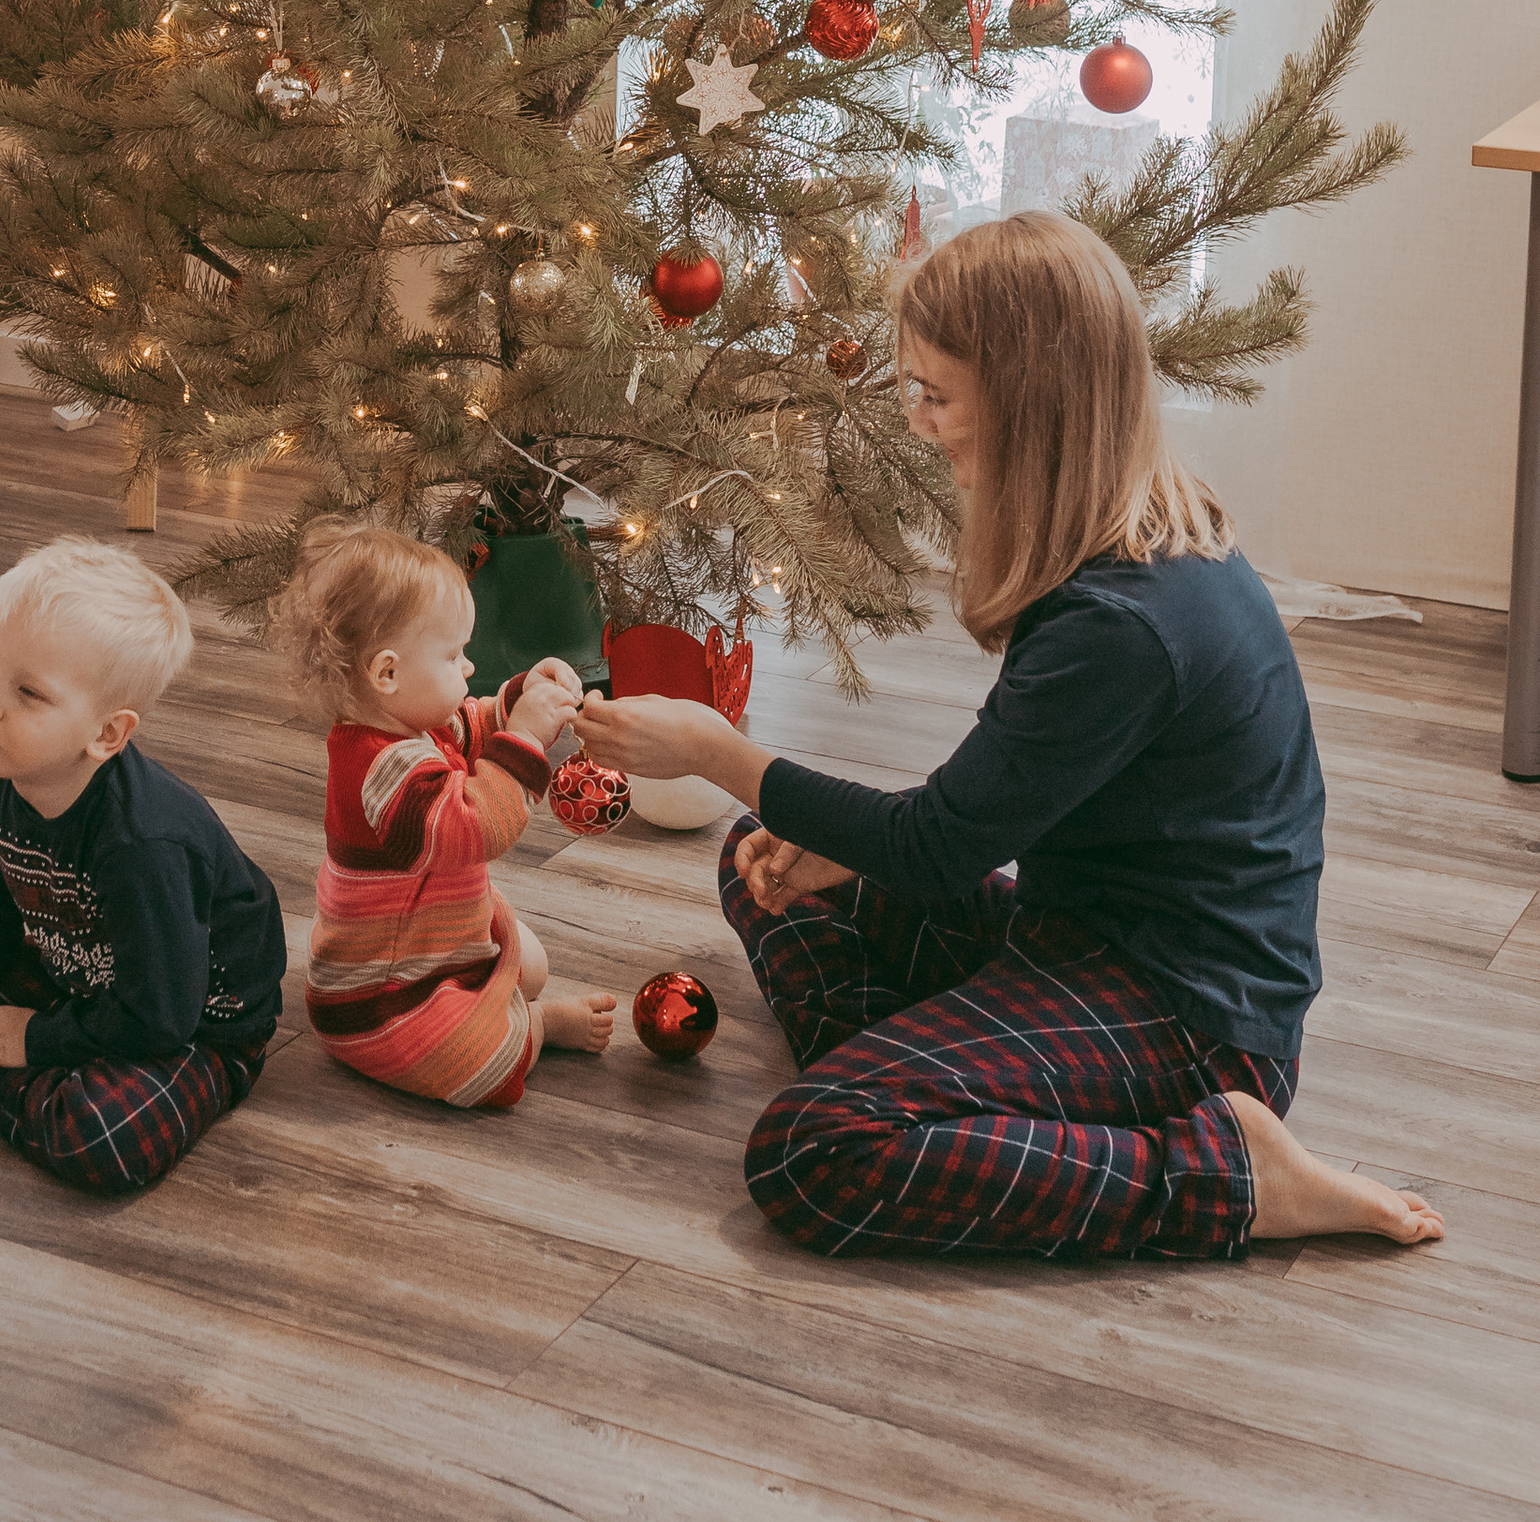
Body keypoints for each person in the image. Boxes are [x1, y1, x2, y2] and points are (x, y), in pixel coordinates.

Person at [581, 211, 1442, 1261]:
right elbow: (973, 819)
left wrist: (715, 750)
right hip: (1077, 933)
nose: (916, 422)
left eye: (935, 395)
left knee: (809, 1150)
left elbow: (937, 847)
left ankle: (1228, 1179)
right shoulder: (1131, 545)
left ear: (1029, 402)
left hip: (1191, 1024)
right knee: (761, 857)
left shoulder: (1121, 623)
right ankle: (965, 1107)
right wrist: (828, 836)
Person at [0, 537, 284, 1193]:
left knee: (103, 1136)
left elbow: (160, 1017)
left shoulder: (144, 845)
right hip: (75, 968)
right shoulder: (3, 764)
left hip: (191, 1023)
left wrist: (36, 1040)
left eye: (29, 692)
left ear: (106, 734)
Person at [272, 518, 616, 1110]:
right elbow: (475, 828)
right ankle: (535, 1028)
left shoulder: (411, 725)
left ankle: (500, 1000)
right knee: (483, 1065)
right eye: (453, 655)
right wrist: (526, 738)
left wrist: (519, 698)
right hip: (385, 998)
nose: (468, 667)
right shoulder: (381, 768)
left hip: (437, 940)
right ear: (387, 673)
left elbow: (470, 728)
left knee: (532, 964)